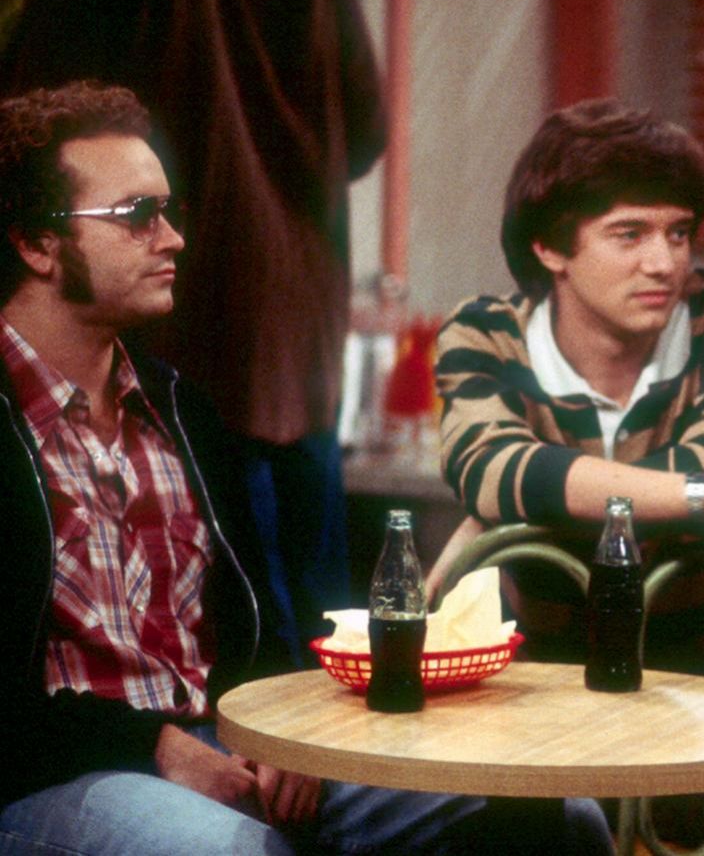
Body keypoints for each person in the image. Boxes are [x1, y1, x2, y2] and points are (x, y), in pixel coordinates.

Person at [0, 82, 610, 855]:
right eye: (136, 215)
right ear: (37, 242)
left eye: (169, 210)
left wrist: (282, 731)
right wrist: (155, 747)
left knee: (556, 813)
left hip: (221, 740)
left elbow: (258, 631)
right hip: (53, 773)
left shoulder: (180, 410)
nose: (173, 238)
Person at [0, 0, 387, 663]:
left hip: (173, 348)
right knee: (327, 673)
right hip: (297, 347)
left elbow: (34, 134)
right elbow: (365, 130)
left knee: (212, 667)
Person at [431, 99, 704, 854]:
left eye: (678, 232)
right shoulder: (485, 331)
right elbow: (487, 464)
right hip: (532, 711)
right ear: (550, 248)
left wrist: (519, 507)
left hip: (698, 702)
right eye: (629, 234)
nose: (663, 263)